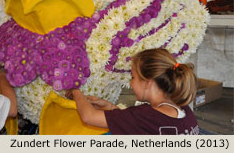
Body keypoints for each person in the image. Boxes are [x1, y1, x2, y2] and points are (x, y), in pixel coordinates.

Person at [66, 48, 199, 135]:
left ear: (148, 83)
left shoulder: (145, 115)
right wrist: (111, 107)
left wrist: (76, 91)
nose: (131, 83)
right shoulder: (183, 109)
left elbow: (89, 117)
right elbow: (139, 124)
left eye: (133, 77)